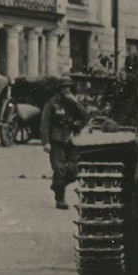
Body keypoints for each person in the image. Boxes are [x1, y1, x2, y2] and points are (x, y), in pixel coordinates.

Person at [40, 76, 89, 210]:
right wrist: (46, 142)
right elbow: (45, 123)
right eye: (63, 87)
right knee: (60, 169)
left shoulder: (73, 102)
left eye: (68, 87)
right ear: (59, 89)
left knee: (74, 169)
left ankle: (57, 185)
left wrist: (75, 102)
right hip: (57, 140)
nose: (66, 90)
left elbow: (85, 116)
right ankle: (60, 199)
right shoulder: (52, 103)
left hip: (72, 139)